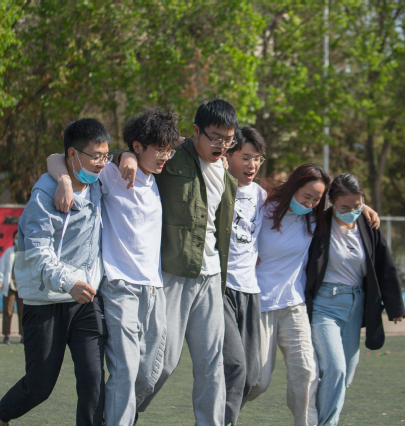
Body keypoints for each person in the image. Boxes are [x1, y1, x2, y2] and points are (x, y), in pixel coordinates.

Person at [48, 107, 179, 425]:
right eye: (160, 149)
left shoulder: (157, 178)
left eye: (169, 150)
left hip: (155, 288)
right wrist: (64, 180)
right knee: (125, 369)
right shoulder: (110, 174)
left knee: (155, 370)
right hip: (120, 286)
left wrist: (128, 155)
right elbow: (55, 157)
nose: (165, 156)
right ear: (138, 146)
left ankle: (112, 415)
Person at [112, 98, 239, 425]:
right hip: (173, 274)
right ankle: (119, 413)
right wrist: (124, 154)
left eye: (228, 140)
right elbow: (134, 155)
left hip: (211, 277)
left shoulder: (226, 173)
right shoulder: (172, 156)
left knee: (212, 364)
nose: (221, 146)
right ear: (196, 131)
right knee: (161, 363)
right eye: (215, 137)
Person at [0, 118, 110, 426]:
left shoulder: (100, 182)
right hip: (45, 301)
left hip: (86, 300)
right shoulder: (42, 197)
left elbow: (131, 155)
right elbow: (39, 255)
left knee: (93, 380)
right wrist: (68, 282)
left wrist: (127, 158)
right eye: (96, 156)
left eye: (106, 156)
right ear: (73, 155)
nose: (102, 163)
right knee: (39, 386)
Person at [245, 166, 380, 426]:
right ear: (293, 187)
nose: (309, 204)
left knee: (307, 375)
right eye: (306, 196)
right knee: (258, 381)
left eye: (316, 199)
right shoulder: (263, 206)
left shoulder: (316, 219)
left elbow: (344, 206)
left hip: (294, 305)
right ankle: (224, 414)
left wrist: (364, 209)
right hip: (260, 304)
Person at [305, 173, 405, 426]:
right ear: (331, 202)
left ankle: (317, 418)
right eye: (345, 207)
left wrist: (395, 307)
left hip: (356, 305)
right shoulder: (317, 222)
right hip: (324, 306)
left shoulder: (368, 225)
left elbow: (384, 265)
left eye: (357, 205)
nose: (352, 212)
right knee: (335, 369)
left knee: (345, 375)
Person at [222, 126, 268, 426]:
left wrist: (362, 207)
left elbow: (309, 200)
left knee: (251, 377)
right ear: (228, 156)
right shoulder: (215, 183)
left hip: (250, 290)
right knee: (235, 366)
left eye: (257, 159)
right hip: (219, 287)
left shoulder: (263, 195)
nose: (252, 165)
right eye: (246, 157)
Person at [0, 231, 23, 345]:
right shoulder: (9, 252)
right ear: (13, 239)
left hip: (22, 287)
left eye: (20, 237)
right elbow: (1, 266)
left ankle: (23, 335)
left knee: (23, 312)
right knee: (8, 311)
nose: (18, 240)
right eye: (16, 237)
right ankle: (6, 336)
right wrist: (0, 281)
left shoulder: (25, 252)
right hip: (10, 285)